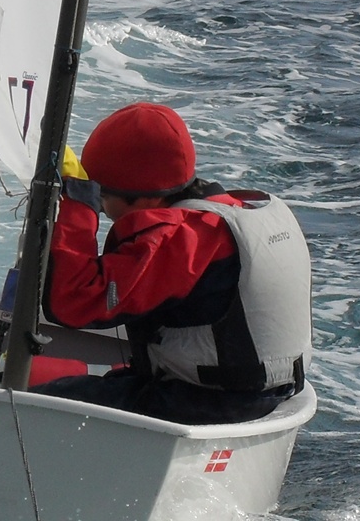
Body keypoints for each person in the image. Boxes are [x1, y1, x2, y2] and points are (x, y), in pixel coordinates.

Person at [33, 102, 313, 425]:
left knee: (37, 405)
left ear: (146, 198)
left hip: (211, 403)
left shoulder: (179, 238)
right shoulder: (234, 213)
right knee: (80, 384)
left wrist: (79, 205)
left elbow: (72, 301)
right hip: (262, 393)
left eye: (104, 199)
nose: (104, 211)